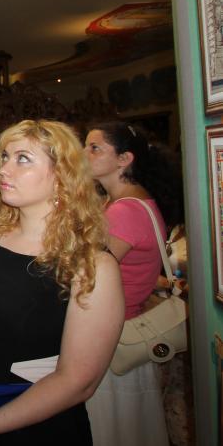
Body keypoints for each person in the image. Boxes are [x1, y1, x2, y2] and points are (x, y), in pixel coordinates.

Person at [0, 120, 124, 444]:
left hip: (38, 426)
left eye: (23, 159)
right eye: (5, 157)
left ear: (62, 175)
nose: (4, 169)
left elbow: (78, 380)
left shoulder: (91, 264)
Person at [83, 122, 183, 446]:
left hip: (112, 338)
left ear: (124, 159)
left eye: (94, 148)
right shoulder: (125, 202)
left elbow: (88, 276)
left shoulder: (124, 211)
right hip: (119, 328)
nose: (84, 154)